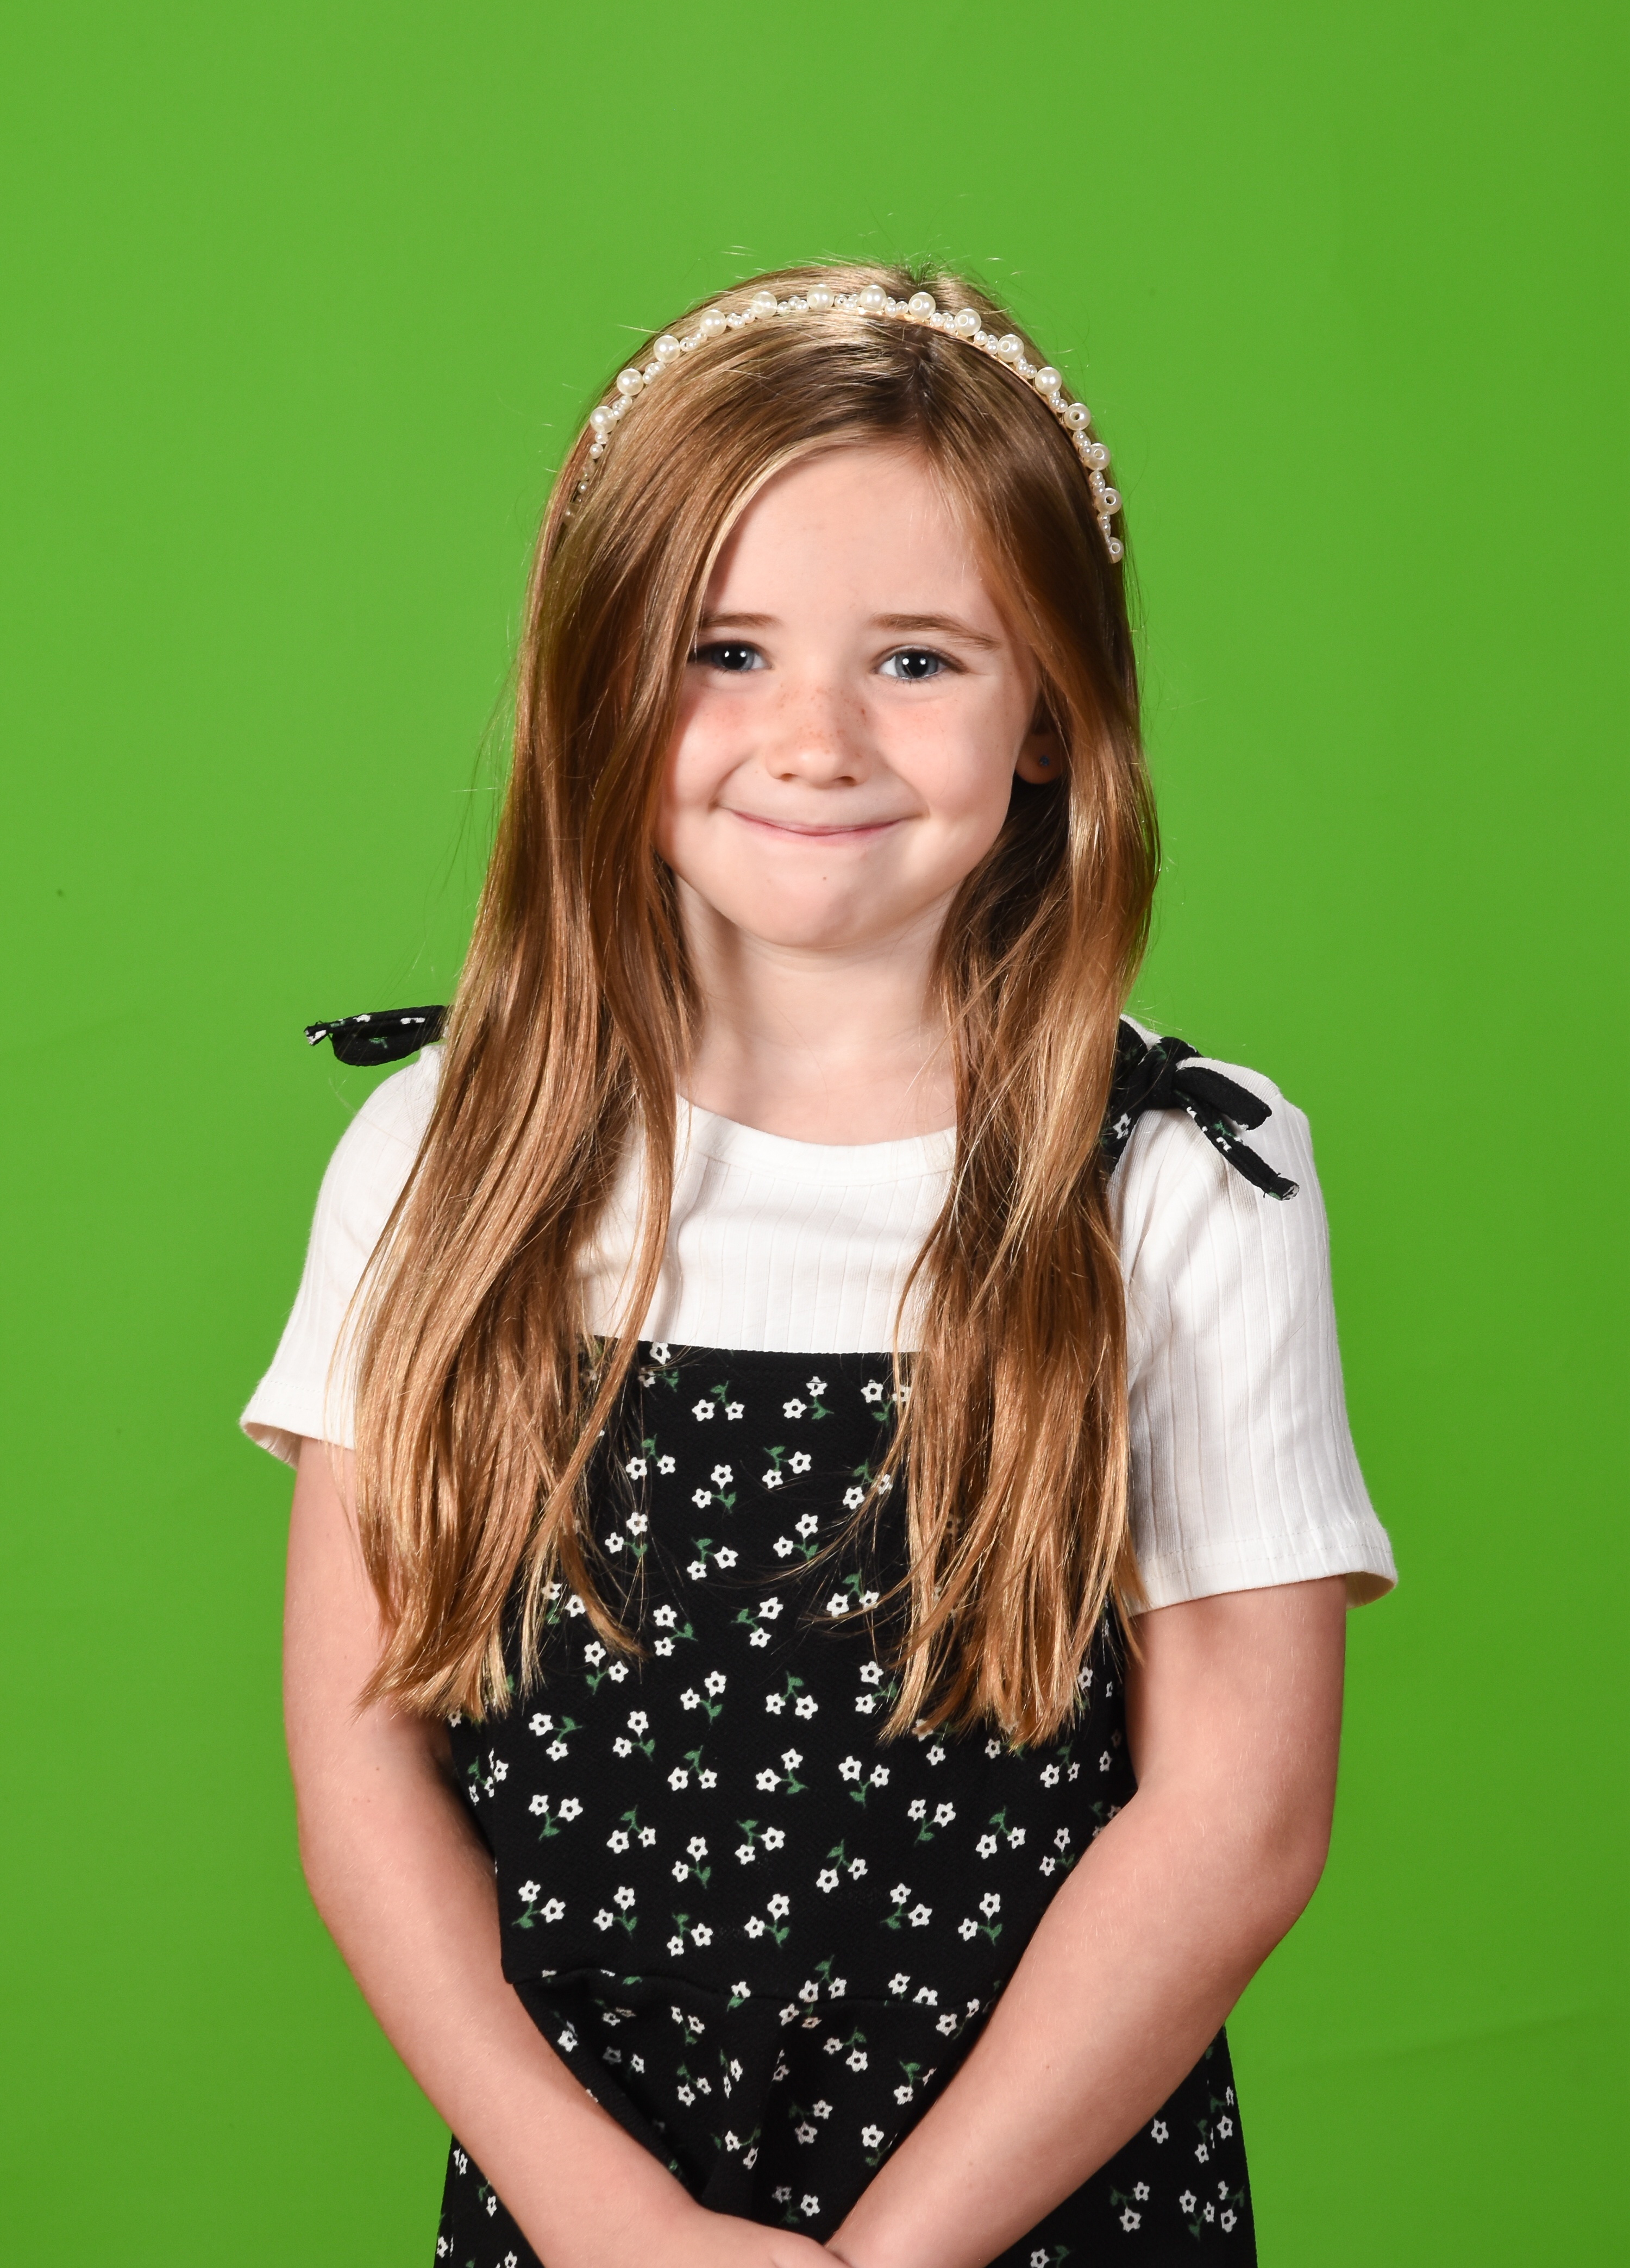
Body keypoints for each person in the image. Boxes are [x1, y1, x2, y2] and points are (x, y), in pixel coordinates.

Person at [243, 265, 1395, 2267]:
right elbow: (360, 1766)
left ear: (1053, 711)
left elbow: (1236, 1828)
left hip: (1039, 2210)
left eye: (919, 660)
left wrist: (885, 2259)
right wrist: (604, 2216)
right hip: (585, 2219)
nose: (815, 739)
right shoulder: (441, 1158)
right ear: (602, 682)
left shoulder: (1181, 1181)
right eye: (727, 650)